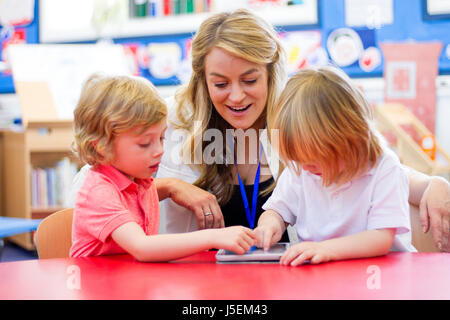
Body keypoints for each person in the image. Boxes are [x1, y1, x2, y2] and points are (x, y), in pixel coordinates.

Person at [70, 9, 450, 251]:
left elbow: (364, 162)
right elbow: (92, 181)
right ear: (202, 79)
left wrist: (434, 183)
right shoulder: (170, 122)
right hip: (197, 283)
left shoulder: (297, 114)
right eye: (220, 84)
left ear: (271, 72)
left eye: (249, 79)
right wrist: (169, 187)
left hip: (287, 279)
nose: (236, 96)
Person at [70, 74, 256, 261]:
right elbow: (142, 247)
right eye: (144, 143)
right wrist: (213, 237)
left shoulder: (140, 181)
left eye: (161, 138)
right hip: (98, 286)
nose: (160, 151)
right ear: (101, 147)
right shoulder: (98, 190)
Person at [255, 66, 415, 266]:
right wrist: (270, 224)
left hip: (381, 273)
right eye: (299, 159)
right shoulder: (301, 169)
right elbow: (277, 210)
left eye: (314, 159)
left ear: (350, 139)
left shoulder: (384, 168)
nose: (305, 168)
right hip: (324, 273)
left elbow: (380, 238)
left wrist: (325, 249)